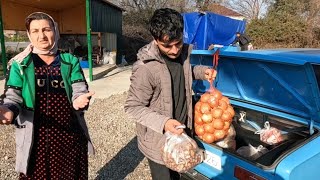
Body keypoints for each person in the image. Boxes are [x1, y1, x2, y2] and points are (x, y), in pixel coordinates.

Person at [124, 8, 216, 180]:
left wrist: (202, 72)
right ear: (155, 40)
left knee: (179, 173)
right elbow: (132, 107)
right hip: (160, 140)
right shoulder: (145, 68)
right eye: (167, 46)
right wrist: (164, 123)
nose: (174, 50)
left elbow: (183, 72)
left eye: (178, 43)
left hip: (182, 132)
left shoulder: (184, 55)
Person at [0, 12, 94, 179]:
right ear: (29, 34)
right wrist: (9, 110)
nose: (41, 36)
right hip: (34, 139)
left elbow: (79, 89)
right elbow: (12, 97)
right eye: (35, 31)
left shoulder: (69, 61)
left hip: (69, 137)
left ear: (55, 31)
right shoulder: (20, 64)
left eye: (46, 29)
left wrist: (79, 99)